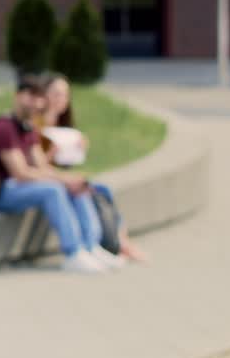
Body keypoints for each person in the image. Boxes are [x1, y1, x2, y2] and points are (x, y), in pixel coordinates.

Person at [0, 75, 124, 274]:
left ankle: (90, 246)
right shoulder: (4, 127)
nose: (35, 102)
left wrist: (69, 180)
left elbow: (41, 166)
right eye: (29, 96)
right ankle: (73, 253)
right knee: (53, 190)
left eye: (38, 97)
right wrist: (61, 181)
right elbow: (20, 172)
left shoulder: (27, 127)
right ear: (17, 96)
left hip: (18, 187)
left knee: (75, 186)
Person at [40, 73, 149, 263]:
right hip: (46, 178)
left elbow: (66, 164)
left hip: (59, 176)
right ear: (44, 95)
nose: (61, 99)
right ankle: (96, 246)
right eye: (56, 94)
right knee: (84, 189)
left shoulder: (64, 125)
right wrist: (51, 153)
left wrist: (76, 148)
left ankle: (119, 241)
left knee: (101, 189)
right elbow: (36, 164)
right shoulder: (35, 126)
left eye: (65, 95)